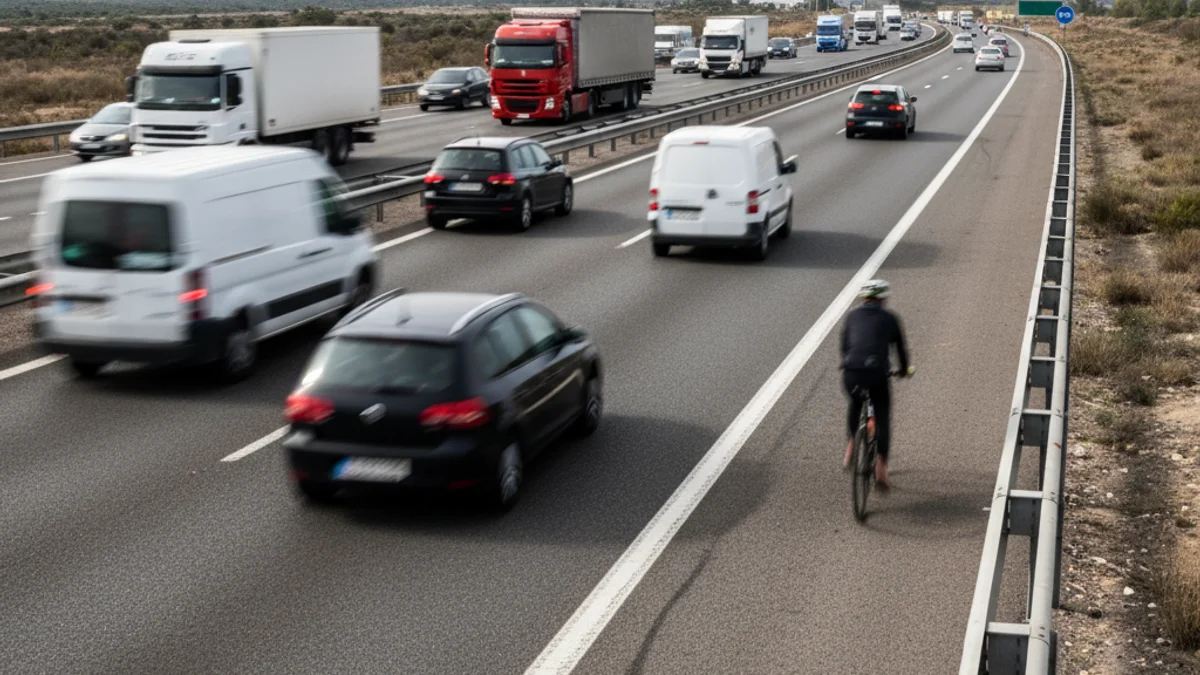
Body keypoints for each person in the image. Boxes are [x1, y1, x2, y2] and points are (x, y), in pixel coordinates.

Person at [840, 279, 912, 489]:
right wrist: (904, 370)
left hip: (851, 372)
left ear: (863, 297)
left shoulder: (851, 316)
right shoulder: (890, 318)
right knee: (881, 416)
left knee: (855, 403)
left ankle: (851, 446)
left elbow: (845, 347)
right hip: (877, 373)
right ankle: (881, 467)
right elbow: (901, 350)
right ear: (883, 298)